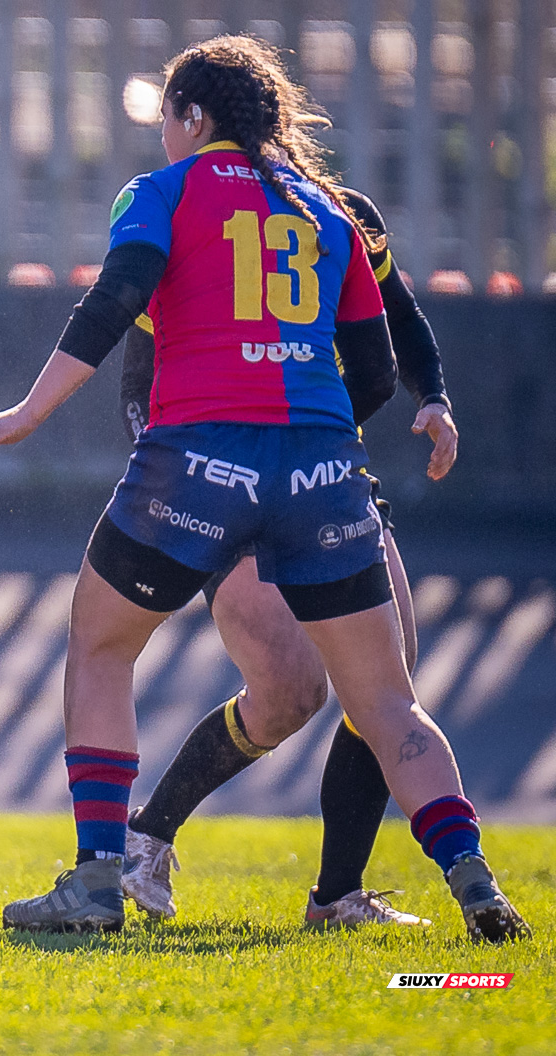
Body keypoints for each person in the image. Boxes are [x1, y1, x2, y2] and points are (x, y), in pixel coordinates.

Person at [0, 35, 527, 943]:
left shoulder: (162, 193)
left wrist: (24, 414)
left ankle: (103, 874)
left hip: (198, 462)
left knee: (101, 647)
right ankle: (476, 886)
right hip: (322, 469)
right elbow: (376, 367)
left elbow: (112, 304)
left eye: (167, 122)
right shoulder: (330, 215)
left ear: (192, 115)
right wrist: (316, 438)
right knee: (386, 700)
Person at [116, 187, 461, 930]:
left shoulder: (342, 215)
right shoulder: (192, 211)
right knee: (289, 695)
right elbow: (138, 382)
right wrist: (186, 477)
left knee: (386, 683)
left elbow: (398, 322)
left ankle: (337, 897)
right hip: (227, 481)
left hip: (328, 478)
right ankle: (145, 837)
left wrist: (431, 397)